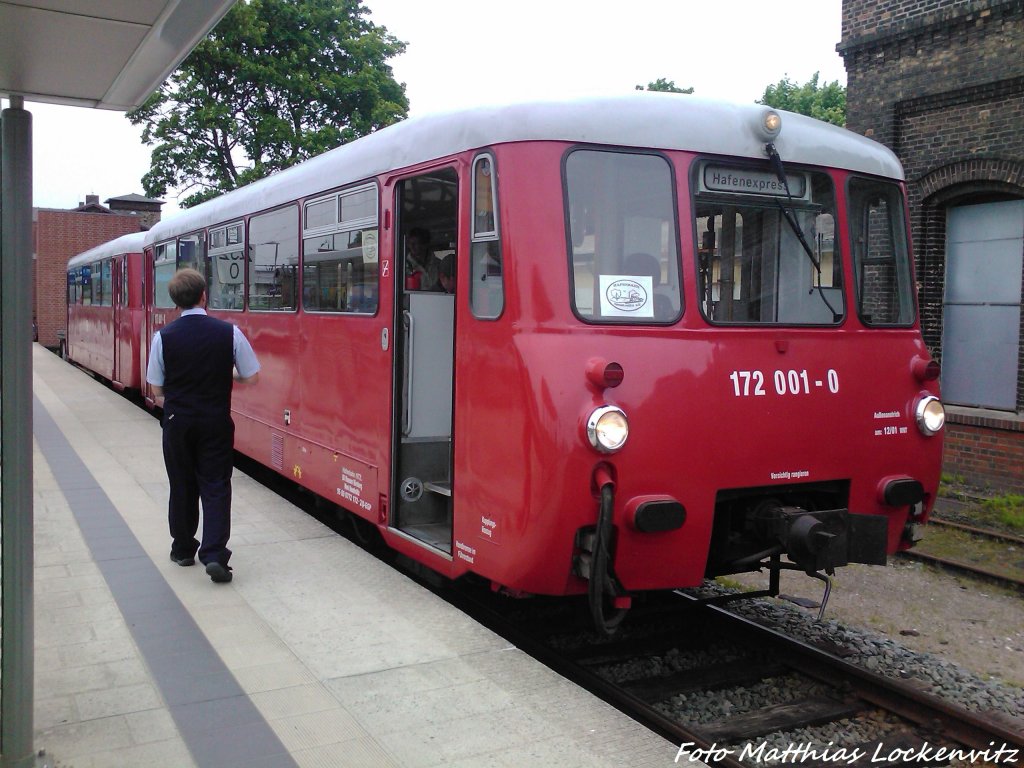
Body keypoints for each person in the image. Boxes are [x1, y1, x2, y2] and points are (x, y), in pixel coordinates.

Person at [146, 268, 260, 583]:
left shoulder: (163, 337)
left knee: (181, 484)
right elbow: (251, 375)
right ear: (203, 296)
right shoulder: (229, 333)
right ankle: (214, 554)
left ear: (175, 302)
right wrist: (228, 375)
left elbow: (156, 389)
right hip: (215, 420)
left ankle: (183, 549)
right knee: (215, 486)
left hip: (177, 421)